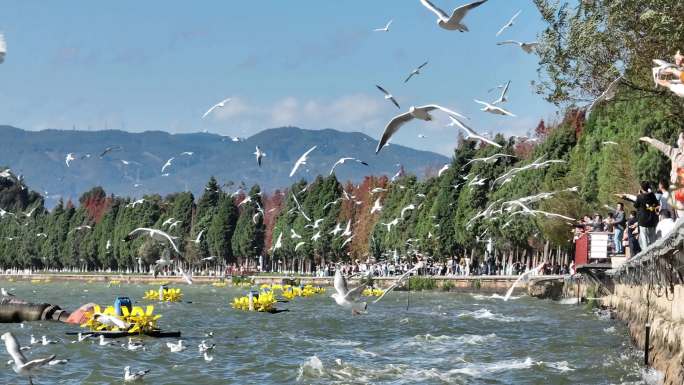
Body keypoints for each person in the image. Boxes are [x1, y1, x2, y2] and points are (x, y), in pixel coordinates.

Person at [640, 133, 684, 218]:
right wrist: (649, 140)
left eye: (680, 138)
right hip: (678, 191)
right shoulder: (675, 152)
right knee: (681, 216)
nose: (679, 140)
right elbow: (663, 147)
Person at [619, 181, 659, 250]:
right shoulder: (652, 195)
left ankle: (646, 255)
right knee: (652, 238)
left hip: (643, 220)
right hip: (652, 219)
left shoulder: (640, 197)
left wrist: (638, 195)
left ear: (641, 188)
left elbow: (636, 205)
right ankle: (654, 252)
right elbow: (656, 203)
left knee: (644, 239)